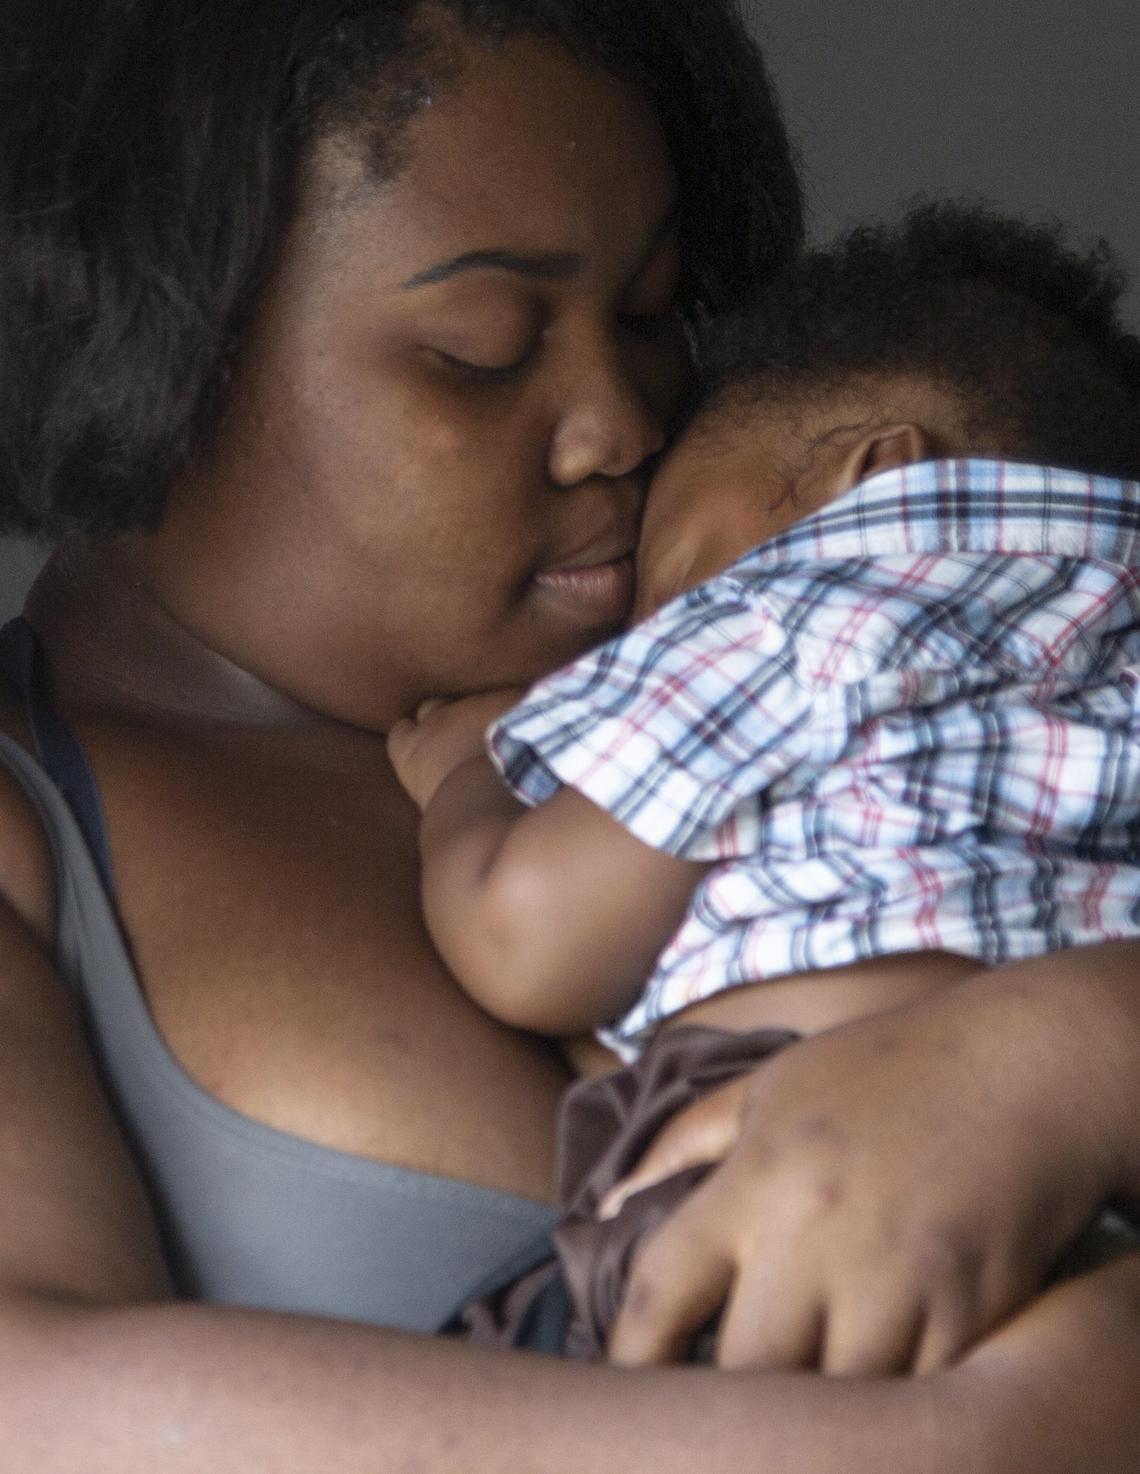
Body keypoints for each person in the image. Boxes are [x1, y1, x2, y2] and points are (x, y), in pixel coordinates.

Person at [0, 1, 1138, 1468]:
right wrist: (985, 1430)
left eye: (656, 313)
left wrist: (1068, 1051)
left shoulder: (849, 653)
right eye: (483, 348)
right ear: (165, 337)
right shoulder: (33, 821)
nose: (623, 420)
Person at [388, 201, 1140, 1358]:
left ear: (870, 476)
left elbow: (527, 933)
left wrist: (467, 781)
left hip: (783, 1199)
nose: (641, 630)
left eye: (671, 572)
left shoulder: (807, 610)